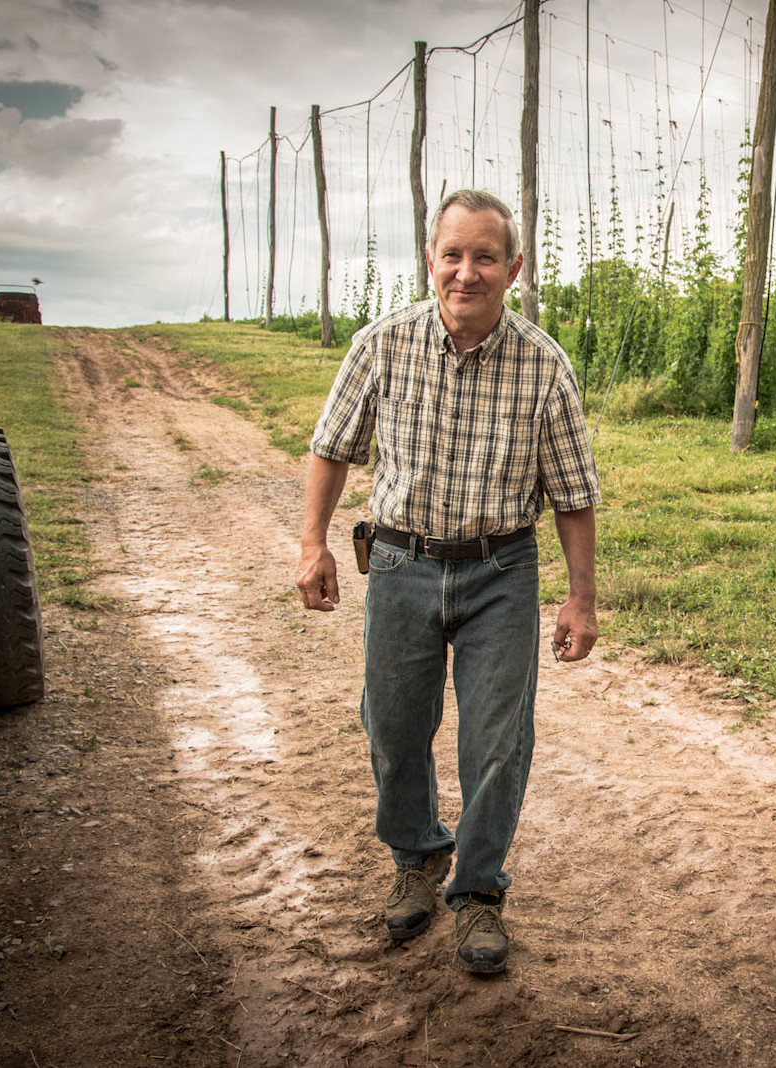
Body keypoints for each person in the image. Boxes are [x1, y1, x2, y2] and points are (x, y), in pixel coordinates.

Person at [295, 188, 601, 975]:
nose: (467, 272)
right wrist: (313, 544)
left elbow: (573, 494)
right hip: (401, 564)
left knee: (497, 742)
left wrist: (581, 598)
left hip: (501, 571)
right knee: (393, 728)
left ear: (514, 268)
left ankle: (478, 892)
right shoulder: (382, 345)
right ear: (430, 261)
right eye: (453, 255)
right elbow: (331, 448)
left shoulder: (544, 365)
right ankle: (417, 855)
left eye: (485, 257)